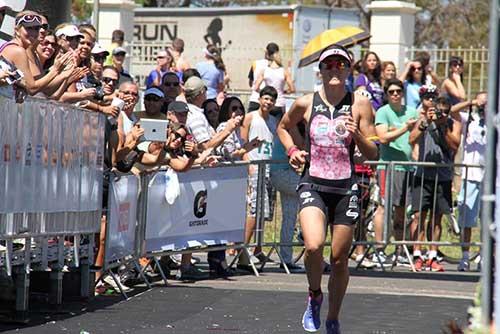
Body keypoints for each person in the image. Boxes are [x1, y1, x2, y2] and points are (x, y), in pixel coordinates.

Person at [277, 44, 377, 333]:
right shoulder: (305, 103)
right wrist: (292, 150)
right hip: (314, 183)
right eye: (329, 65)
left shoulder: (359, 105)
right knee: (313, 245)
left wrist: (357, 134)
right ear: (320, 71)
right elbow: (284, 127)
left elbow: (374, 154)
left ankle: (333, 316)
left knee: (338, 258)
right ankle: (315, 294)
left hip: (346, 187)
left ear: (348, 70)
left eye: (340, 65)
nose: (335, 69)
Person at [409, 88, 462, 272]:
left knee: (437, 218)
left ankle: (432, 255)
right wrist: (425, 124)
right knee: (419, 216)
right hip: (423, 175)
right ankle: (417, 254)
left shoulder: (453, 124)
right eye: (439, 110)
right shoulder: (424, 120)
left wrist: (441, 125)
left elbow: (454, 145)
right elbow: (411, 139)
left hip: (443, 177)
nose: (442, 114)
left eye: (445, 112)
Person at [372, 78, 418, 267]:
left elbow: (414, 138)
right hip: (388, 167)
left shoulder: (412, 111)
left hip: (406, 167)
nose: (395, 95)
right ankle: (379, 249)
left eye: (398, 91)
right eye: (391, 92)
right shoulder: (383, 112)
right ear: (386, 94)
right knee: (383, 207)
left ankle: (399, 250)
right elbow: (383, 138)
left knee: (401, 212)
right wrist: (403, 128)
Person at [239, 86, 280, 268]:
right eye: (265, 98)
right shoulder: (250, 117)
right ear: (260, 99)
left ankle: (258, 248)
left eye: (271, 100)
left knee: (264, 212)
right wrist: (248, 163)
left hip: (269, 168)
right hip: (255, 167)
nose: (268, 102)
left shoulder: (273, 121)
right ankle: (243, 249)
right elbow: (242, 142)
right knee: (254, 209)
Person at [450, 92, 487, 271]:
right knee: (467, 219)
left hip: (489, 176)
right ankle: (465, 256)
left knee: (487, 221)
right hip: (470, 174)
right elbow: (451, 111)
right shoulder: (469, 118)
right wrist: (472, 102)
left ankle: (484, 256)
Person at [253, 45, 295, 114]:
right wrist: (284, 91)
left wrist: (265, 93)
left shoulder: (264, 71)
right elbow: (292, 89)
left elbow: (256, 87)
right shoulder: (284, 71)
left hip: (267, 103)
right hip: (280, 103)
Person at [247, 42, 278, 112]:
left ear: (266, 52)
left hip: (254, 99)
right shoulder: (276, 67)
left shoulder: (255, 63)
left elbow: (250, 83)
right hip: (268, 102)